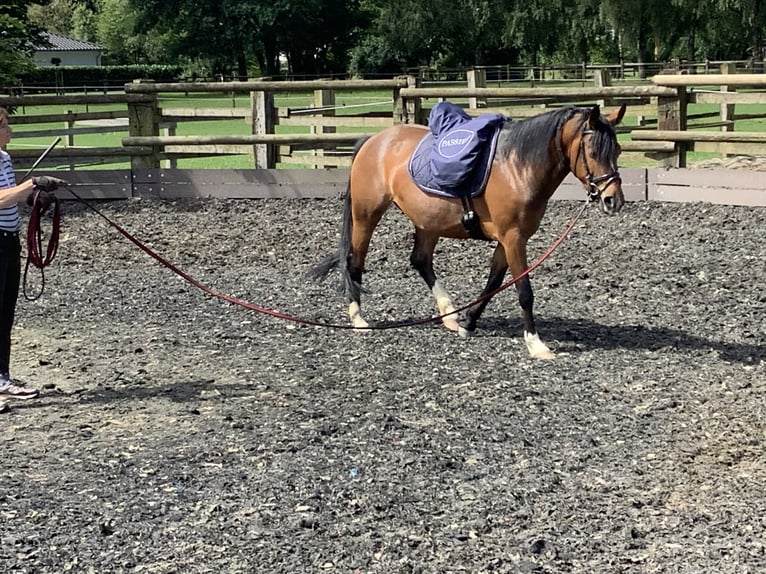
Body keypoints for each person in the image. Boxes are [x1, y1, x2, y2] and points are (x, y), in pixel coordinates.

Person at [0, 106, 58, 411]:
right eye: (4, 124)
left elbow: (9, 194)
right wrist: (32, 184)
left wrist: (35, 196)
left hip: (8, 241)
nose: (9, 130)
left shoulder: (4, 159)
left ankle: (1, 379)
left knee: (4, 315)